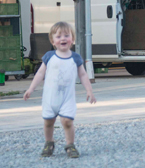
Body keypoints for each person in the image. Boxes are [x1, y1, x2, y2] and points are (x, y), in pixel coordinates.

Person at [23, 21, 96, 158]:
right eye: (58, 36)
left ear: (72, 39)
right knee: (48, 121)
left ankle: (70, 145)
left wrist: (89, 91)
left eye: (67, 35)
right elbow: (40, 73)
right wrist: (31, 89)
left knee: (67, 121)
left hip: (67, 98)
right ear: (53, 41)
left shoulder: (76, 58)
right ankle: (48, 143)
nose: (63, 38)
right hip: (50, 99)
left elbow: (83, 74)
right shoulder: (49, 56)